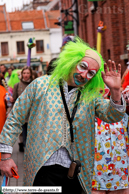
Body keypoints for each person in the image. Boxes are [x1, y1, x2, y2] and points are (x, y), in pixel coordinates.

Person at [0, 37, 126, 194]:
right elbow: (15, 119)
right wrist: (5, 157)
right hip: (41, 167)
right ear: (72, 61)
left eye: (91, 73)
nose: (84, 75)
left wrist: (115, 91)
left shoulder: (90, 96)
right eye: (82, 67)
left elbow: (113, 115)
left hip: (75, 171)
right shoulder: (40, 85)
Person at [11, 66, 33, 152]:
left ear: (30, 74)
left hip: (31, 113)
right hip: (21, 113)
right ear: (21, 74)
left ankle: (28, 147)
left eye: (28, 73)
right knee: (22, 132)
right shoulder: (17, 85)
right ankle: (22, 145)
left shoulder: (34, 84)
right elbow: (14, 100)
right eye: (24, 73)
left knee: (30, 132)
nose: (26, 75)